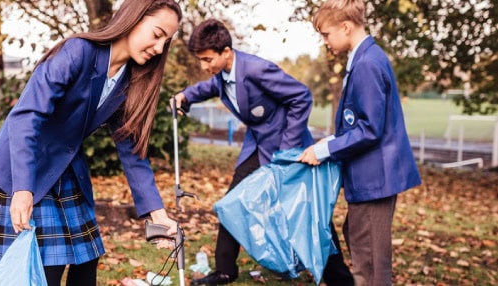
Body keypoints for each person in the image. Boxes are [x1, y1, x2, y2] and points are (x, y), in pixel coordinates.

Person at [0, 1, 182, 285]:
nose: (160, 49)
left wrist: (157, 216)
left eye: (166, 41)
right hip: (23, 166)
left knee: (86, 260)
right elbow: (26, 117)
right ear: (134, 18)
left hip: (64, 169)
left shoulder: (130, 80)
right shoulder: (78, 52)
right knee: (40, 269)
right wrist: (22, 189)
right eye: (157, 34)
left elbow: (132, 152)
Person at [172, 19, 354, 285]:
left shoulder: (257, 70)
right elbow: (208, 87)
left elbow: (301, 97)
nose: (203, 66)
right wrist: (185, 96)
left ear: (226, 51)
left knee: (309, 216)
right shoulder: (222, 75)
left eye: (207, 59)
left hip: (289, 152)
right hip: (257, 148)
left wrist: (286, 152)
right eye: (200, 60)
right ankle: (225, 270)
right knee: (233, 202)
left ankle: (341, 281)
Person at [298, 0, 422, 285]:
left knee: (370, 265)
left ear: (345, 26)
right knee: (356, 235)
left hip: (374, 177)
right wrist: (331, 141)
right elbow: (362, 121)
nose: (324, 41)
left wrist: (325, 149)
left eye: (326, 34)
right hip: (372, 175)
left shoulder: (367, 63)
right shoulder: (364, 58)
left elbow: (369, 129)